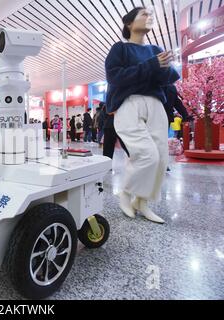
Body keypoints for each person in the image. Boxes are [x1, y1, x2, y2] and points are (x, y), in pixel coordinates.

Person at [105, 7, 180, 224]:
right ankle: (127, 193)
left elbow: (168, 78)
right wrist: (152, 65)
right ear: (129, 23)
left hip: (156, 103)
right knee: (146, 154)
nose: (149, 18)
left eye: (151, 15)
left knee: (161, 157)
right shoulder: (120, 48)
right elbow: (115, 77)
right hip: (129, 103)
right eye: (144, 14)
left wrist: (163, 64)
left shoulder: (155, 49)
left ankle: (142, 201)